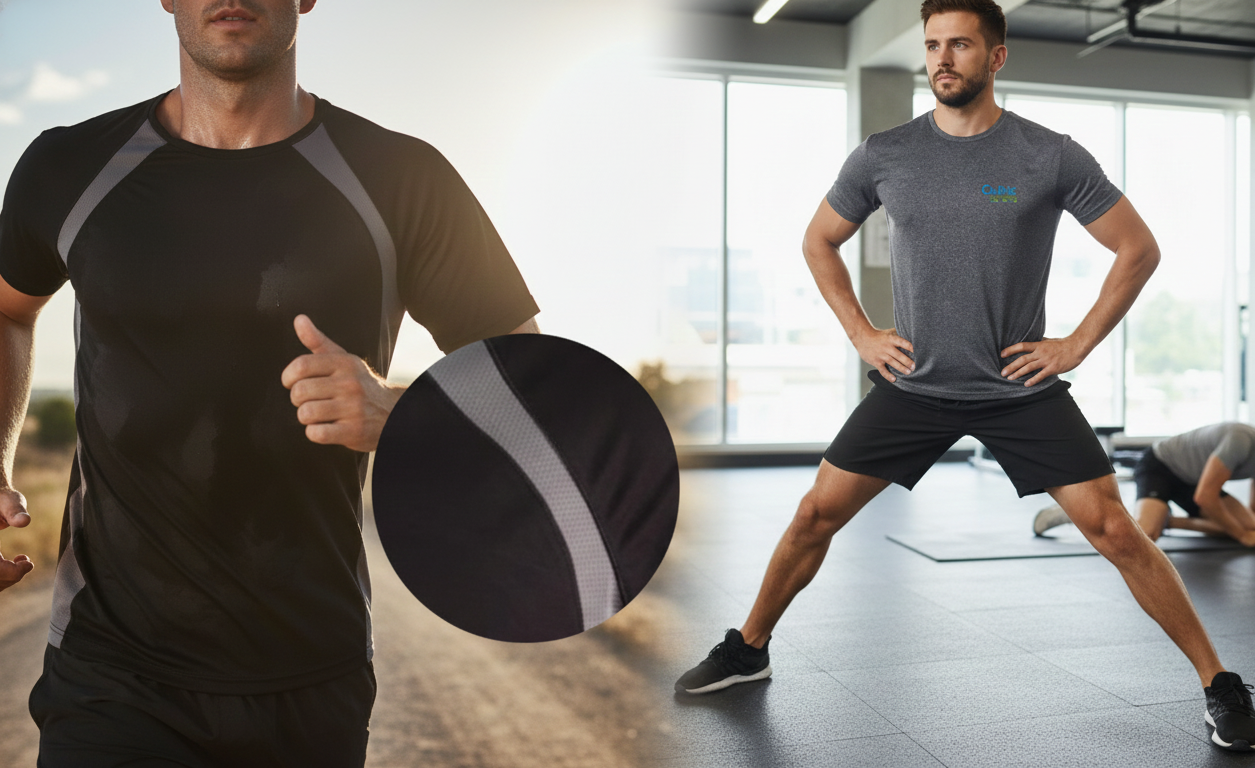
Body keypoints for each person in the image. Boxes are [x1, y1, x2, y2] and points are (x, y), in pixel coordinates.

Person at [673, 0, 1255, 752]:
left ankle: (1219, 683)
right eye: (932, 45)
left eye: (959, 45)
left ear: (996, 56)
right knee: (814, 514)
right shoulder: (884, 154)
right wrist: (860, 332)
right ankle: (748, 648)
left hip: (1018, 388)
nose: (942, 59)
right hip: (914, 385)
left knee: (1116, 531)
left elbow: (1136, 249)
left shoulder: (1048, 155)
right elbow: (819, 240)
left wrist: (1075, 343)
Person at [0, 1, 539, 765]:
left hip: (310, 673)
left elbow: (529, 381)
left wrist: (403, 412)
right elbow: (8, 311)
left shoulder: (400, 177)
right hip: (110, 672)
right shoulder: (68, 166)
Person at [1035, 422, 1255, 547]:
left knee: (1249, 526)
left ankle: (1169, 521)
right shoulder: (1240, 440)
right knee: (1144, 536)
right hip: (1160, 466)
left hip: (1193, 481)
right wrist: (1241, 535)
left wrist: (1245, 529)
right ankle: (1073, 513)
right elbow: (1205, 497)